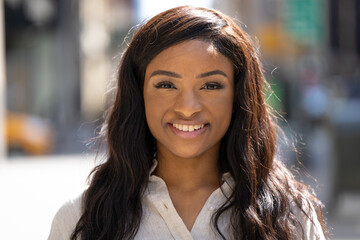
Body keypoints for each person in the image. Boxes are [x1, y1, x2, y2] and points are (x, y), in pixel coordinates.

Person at [48, 6, 327, 240]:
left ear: (239, 96)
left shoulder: (290, 216)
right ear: (139, 94)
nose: (187, 108)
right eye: (167, 84)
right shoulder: (81, 219)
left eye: (211, 85)